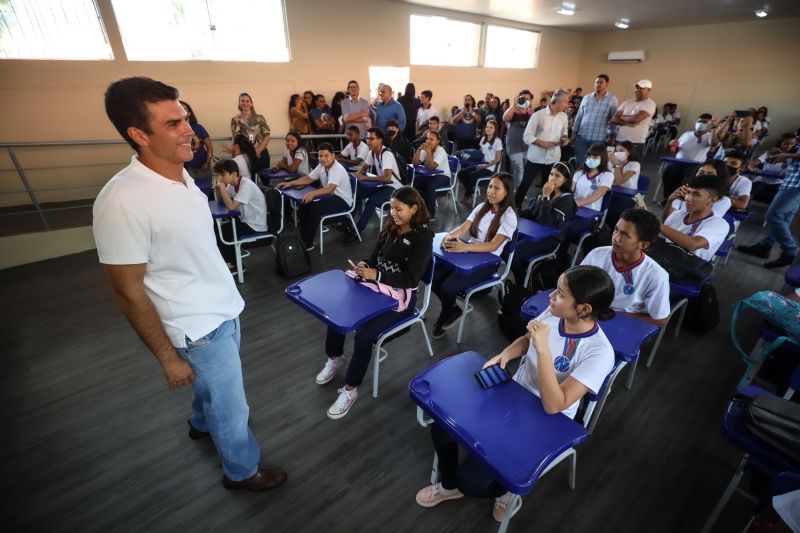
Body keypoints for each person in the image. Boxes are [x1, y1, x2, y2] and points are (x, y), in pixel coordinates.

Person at [94, 76, 286, 492]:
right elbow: (127, 290)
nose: (190, 131)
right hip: (197, 328)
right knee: (233, 408)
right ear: (138, 134)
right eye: (173, 124)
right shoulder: (122, 202)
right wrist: (167, 357)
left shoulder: (181, 177)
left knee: (214, 394)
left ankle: (200, 424)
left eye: (186, 118)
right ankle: (241, 471)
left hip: (224, 308)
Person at [415, 265, 614, 522]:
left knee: (473, 483)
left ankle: (508, 491)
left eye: (561, 294)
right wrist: (506, 354)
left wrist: (543, 350)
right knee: (441, 427)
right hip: (515, 395)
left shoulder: (600, 353)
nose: (552, 296)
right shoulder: (556, 314)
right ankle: (448, 486)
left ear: (584, 308)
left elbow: (555, 405)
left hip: (547, 421)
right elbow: (527, 339)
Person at [315, 187, 433, 419]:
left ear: (414, 208)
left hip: (400, 302)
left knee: (365, 335)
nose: (394, 213)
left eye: (399, 209)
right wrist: (365, 266)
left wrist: (377, 275)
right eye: (391, 207)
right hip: (377, 290)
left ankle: (350, 389)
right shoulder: (390, 228)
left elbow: (411, 279)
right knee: (338, 311)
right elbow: (374, 258)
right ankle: (335, 358)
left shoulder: (423, 237)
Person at [431, 174, 518, 338]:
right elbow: (464, 228)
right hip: (470, 253)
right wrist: (448, 236)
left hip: (487, 262)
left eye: (496, 188)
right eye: (490, 186)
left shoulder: (509, 216)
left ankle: (447, 312)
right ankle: (453, 309)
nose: (491, 191)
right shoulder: (482, 207)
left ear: (507, 192)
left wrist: (464, 247)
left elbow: (493, 246)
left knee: (448, 287)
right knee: (433, 275)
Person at [581, 209, 670, 325]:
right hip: (591, 313)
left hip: (622, 322)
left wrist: (617, 318)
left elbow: (661, 319)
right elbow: (576, 284)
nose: (616, 238)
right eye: (616, 230)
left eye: (625, 235)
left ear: (643, 244)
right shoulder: (597, 254)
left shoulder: (656, 276)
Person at [276, 142, 353, 251]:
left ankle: (309, 242)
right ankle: (303, 238)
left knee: (314, 209)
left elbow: (330, 188)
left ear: (333, 156)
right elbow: (308, 178)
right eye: (320, 156)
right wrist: (290, 183)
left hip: (343, 200)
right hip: (330, 196)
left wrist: (312, 194)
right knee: (304, 203)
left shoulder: (337, 168)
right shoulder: (321, 165)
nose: (323, 159)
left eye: (326, 156)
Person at [510, 163, 576, 285]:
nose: (552, 178)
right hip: (534, 233)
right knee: (505, 243)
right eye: (551, 174)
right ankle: (522, 271)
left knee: (514, 252)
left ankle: (522, 281)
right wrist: (516, 213)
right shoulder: (546, 192)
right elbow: (533, 213)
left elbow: (546, 223)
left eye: (557, 176)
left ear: (565, 180)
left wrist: (545, 197)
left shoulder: (567, 200)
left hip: (549, 239)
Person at [737, 148, 800, 268]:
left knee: (774, 216)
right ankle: (765, 246)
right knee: (784, 218)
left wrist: (786, 155)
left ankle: (790, 251)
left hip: (796, 184)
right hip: (792, 180)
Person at [515, 88, 569, 209]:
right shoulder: (538, 115)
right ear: (558, 101)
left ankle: (542, 209)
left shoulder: (563, 117)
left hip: (553, 157)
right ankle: (515, 207)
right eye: (566, 101)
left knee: (549, 185)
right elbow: (527, 136)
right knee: (525, 183)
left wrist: (565, 139)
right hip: (536, 157)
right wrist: (542, 143)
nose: (567, 104)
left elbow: (564, 132)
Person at [213, 159, 268, 271]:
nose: (220, 178)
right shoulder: (233, 185)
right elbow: (221, 200)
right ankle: (232, 261)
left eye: (223, 175)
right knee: (217, 229)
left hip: (255, 225)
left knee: (223, 233)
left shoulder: (245, 185)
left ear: (234, 174)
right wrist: (218, 189)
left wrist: (222, 187)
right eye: (219, 175)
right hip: (245, 220)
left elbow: (231, 206)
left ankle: (236, 265)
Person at [660, 174, 730, 262]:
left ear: (713, 200)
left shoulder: (719, 224)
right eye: (688, 193)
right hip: (665, 260)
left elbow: (692, 244)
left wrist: (655, 224)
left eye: (696, 194)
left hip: (685, 271)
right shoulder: (677, 214)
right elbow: (663, 233)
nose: (688, 198)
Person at [350, 127, 403, 236]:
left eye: (371, 139)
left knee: (372, 201)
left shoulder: (386, 154)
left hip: (394, 188)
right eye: (367, 138)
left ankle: (357, 231)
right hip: (383, 185)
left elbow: (387, 178)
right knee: (357, 193)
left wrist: (365, 178)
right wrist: (355, 175)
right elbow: (363, 169)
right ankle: (347, 224)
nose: (368, 141)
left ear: (379, 140)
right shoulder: (372, 152)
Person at [660, 113, 714, 201]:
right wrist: (672, 144)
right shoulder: (687, 134)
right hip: (678, 162)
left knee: (685, 178)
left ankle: (678, 199)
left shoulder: (708, 137)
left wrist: (714, 128)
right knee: (667, 173)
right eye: (699, 121)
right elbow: (676, 149)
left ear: (708, 125)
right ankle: (668, 197)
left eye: (704, 122)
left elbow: (713, 143)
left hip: (694, 165)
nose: (701, 124)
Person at [572, 74, 618, 168]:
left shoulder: (612, 99)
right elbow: (579, 116)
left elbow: (614, 119)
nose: (598, 84)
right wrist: (574, 132)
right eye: (597, 82)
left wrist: (612, 136)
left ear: (607, 84)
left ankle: (590, 182)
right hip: (582, 137)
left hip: (599, 139)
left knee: (593, 165)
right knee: (580, 163)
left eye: (601, 82)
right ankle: (578, 182)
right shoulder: (586, 98)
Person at [662, 160, 731, 219]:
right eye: (701, 173)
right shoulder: (685, 190)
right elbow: (667, 220)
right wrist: (670, 201)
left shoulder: (724, 200)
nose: (704, 177)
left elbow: (702, 221)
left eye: (710, 175)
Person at [458, 120, 503, 205]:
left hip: (489, 168)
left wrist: (485, 166)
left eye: (491, 127)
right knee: (461, 173)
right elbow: (480, 154)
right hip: (480, 164)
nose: (488, 129)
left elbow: (498, 159)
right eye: (487, 127)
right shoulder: (483, 139)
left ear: (495, 130)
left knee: (471, 176)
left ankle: (468, 195)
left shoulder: (498, 141)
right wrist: (472, 160)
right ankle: (471, 191)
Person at [611, 80, 656, 160]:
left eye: (642, 88)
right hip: (620, 141)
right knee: (617, 165)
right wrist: (628, 123)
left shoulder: (650, 104)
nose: (638, 90)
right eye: (637, 87)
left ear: (649, 90)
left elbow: (636, 119)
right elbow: (614, 119)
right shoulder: (627, 102)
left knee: (631, 167)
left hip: (635, 143)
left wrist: (622, 117)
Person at [412, 130, 451, 219]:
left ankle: (430, 214)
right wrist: (419, 149)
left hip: (444, 176)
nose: (428, 141)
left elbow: (431, 167)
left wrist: (428, 152)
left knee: (430, 186)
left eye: (431, 139)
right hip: (431, 175)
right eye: (427, 139)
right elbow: (415, 163)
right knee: (414, 182)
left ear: (438, 141)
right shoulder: (426, 148)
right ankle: (418, 209)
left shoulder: (440, 151)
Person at [749, 133, 797, 201]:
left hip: (778, 182)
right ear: (780, 142)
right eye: (786, 143)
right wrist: (753, 168)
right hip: (763, 180)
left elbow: (792, 172)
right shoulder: (770, 153)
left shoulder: (793, 157)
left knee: (781, 199)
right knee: (751, 193)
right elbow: (751, 165)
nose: (789, 146)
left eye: (792, 144)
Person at [502, 89, 535, 188]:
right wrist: (513, 105)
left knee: (524, 167)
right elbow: (505, 118)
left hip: (527, 146)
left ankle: (519, 186)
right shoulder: (514, 109)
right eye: (523, 98)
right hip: (514, 146)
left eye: (528, 99)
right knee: (519, 169)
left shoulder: (531, 111)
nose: (526, 100)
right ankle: (519, 189)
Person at [229, 92, 271, 169]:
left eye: (247, 101)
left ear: (251, 104)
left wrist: (258, 150)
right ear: (239, 104)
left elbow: (267, 135)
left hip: (261, 152)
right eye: (242, 101)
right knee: (249, 179)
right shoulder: (235, 120)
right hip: (245, 154)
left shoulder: (259, 118)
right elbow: (237, 138)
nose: (245, 103)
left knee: (265, 178)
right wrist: (250, 152)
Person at [180, 100, 213, 180]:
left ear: (190, 113)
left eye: (185, 109)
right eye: (180, 108)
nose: (182, 111)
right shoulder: (176, 129)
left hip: (204, 167)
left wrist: (207, 163)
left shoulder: (198, 127)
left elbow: (209, 147)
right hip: (187, 169)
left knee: (206, 190)